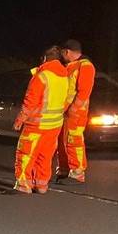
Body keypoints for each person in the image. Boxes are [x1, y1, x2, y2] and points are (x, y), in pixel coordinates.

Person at [13, 46, 70, 194]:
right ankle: (41, 185)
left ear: (45, 59)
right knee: (45, 156)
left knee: (25, 154)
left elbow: (30, 101)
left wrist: (20, 119)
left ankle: (23, 185)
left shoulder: (42, 76)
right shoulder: (64, 76)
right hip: (55, 124)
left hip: (37, 123)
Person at [56, 39, 95, 184]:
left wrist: (73, 108)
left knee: (74, 140)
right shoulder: (72, 65)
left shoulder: (85, 66)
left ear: (67, 52)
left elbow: (84, 91)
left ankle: (77, 172)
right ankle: (65, 170)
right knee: (64, 141)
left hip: (76, 112)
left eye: (62, 53)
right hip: (67, 111)